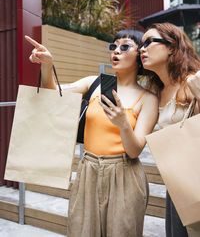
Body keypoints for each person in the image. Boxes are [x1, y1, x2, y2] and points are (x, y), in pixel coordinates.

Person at [25, 29, 158, 237]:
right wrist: (47, 65)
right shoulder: (93, 83)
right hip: (88, 169)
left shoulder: (148, 99)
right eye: (113, 46)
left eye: (125, 46)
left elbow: (134, 151)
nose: (116, 51)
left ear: (140, 56)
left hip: (124, 174)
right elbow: (51, 95)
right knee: (81, 230)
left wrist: (123, 123)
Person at [139, 22, 200, 237]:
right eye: (140, 44)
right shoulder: (154, 92)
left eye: (149, 42)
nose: (141, 49)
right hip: (176, 183)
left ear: (172, 47)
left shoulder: (194, 82)